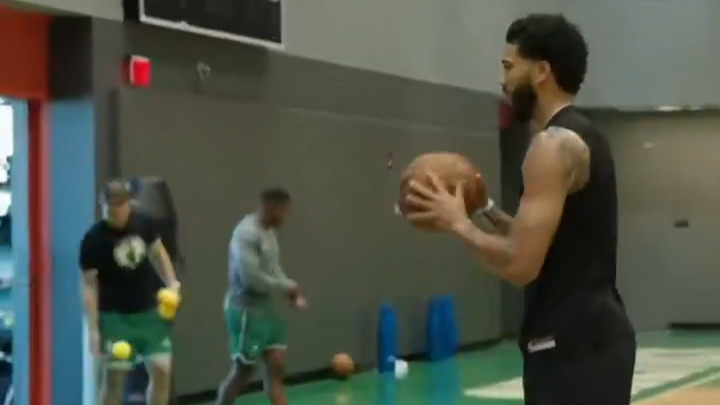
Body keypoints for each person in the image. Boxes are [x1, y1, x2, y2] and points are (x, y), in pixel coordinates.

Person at [403, 13, 636, 405]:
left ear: (541, 71)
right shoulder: (583, 135)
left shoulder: (551, 145)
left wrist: (458, 223)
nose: (503, 81)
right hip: (593, 338)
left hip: (571, 348)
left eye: (509, 67)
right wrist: (484, 209)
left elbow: (520, 264)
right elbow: (545, 241)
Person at [80, 180, 181, 405]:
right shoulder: (93, 240)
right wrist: (94, 330)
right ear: (102, 206)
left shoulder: (144, 224)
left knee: (162, 374)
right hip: (115, 319)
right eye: (110, 206)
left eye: (120, 204)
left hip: (150, 315)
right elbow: (89, 286)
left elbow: (158, 254)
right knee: (114, 381)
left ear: (129, 203)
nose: (115, 211)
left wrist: (172, 282)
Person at [217, 187, 307, 405]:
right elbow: (251, 278)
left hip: (268, 311)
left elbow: (274, 269)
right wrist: (287, 287)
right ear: (269, 207)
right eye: (282, 211)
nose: (285, 217)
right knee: (243, 372)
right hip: (246, 310)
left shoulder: (269, 232)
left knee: (277, 367)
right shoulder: (246, 233)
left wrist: (291, 289)